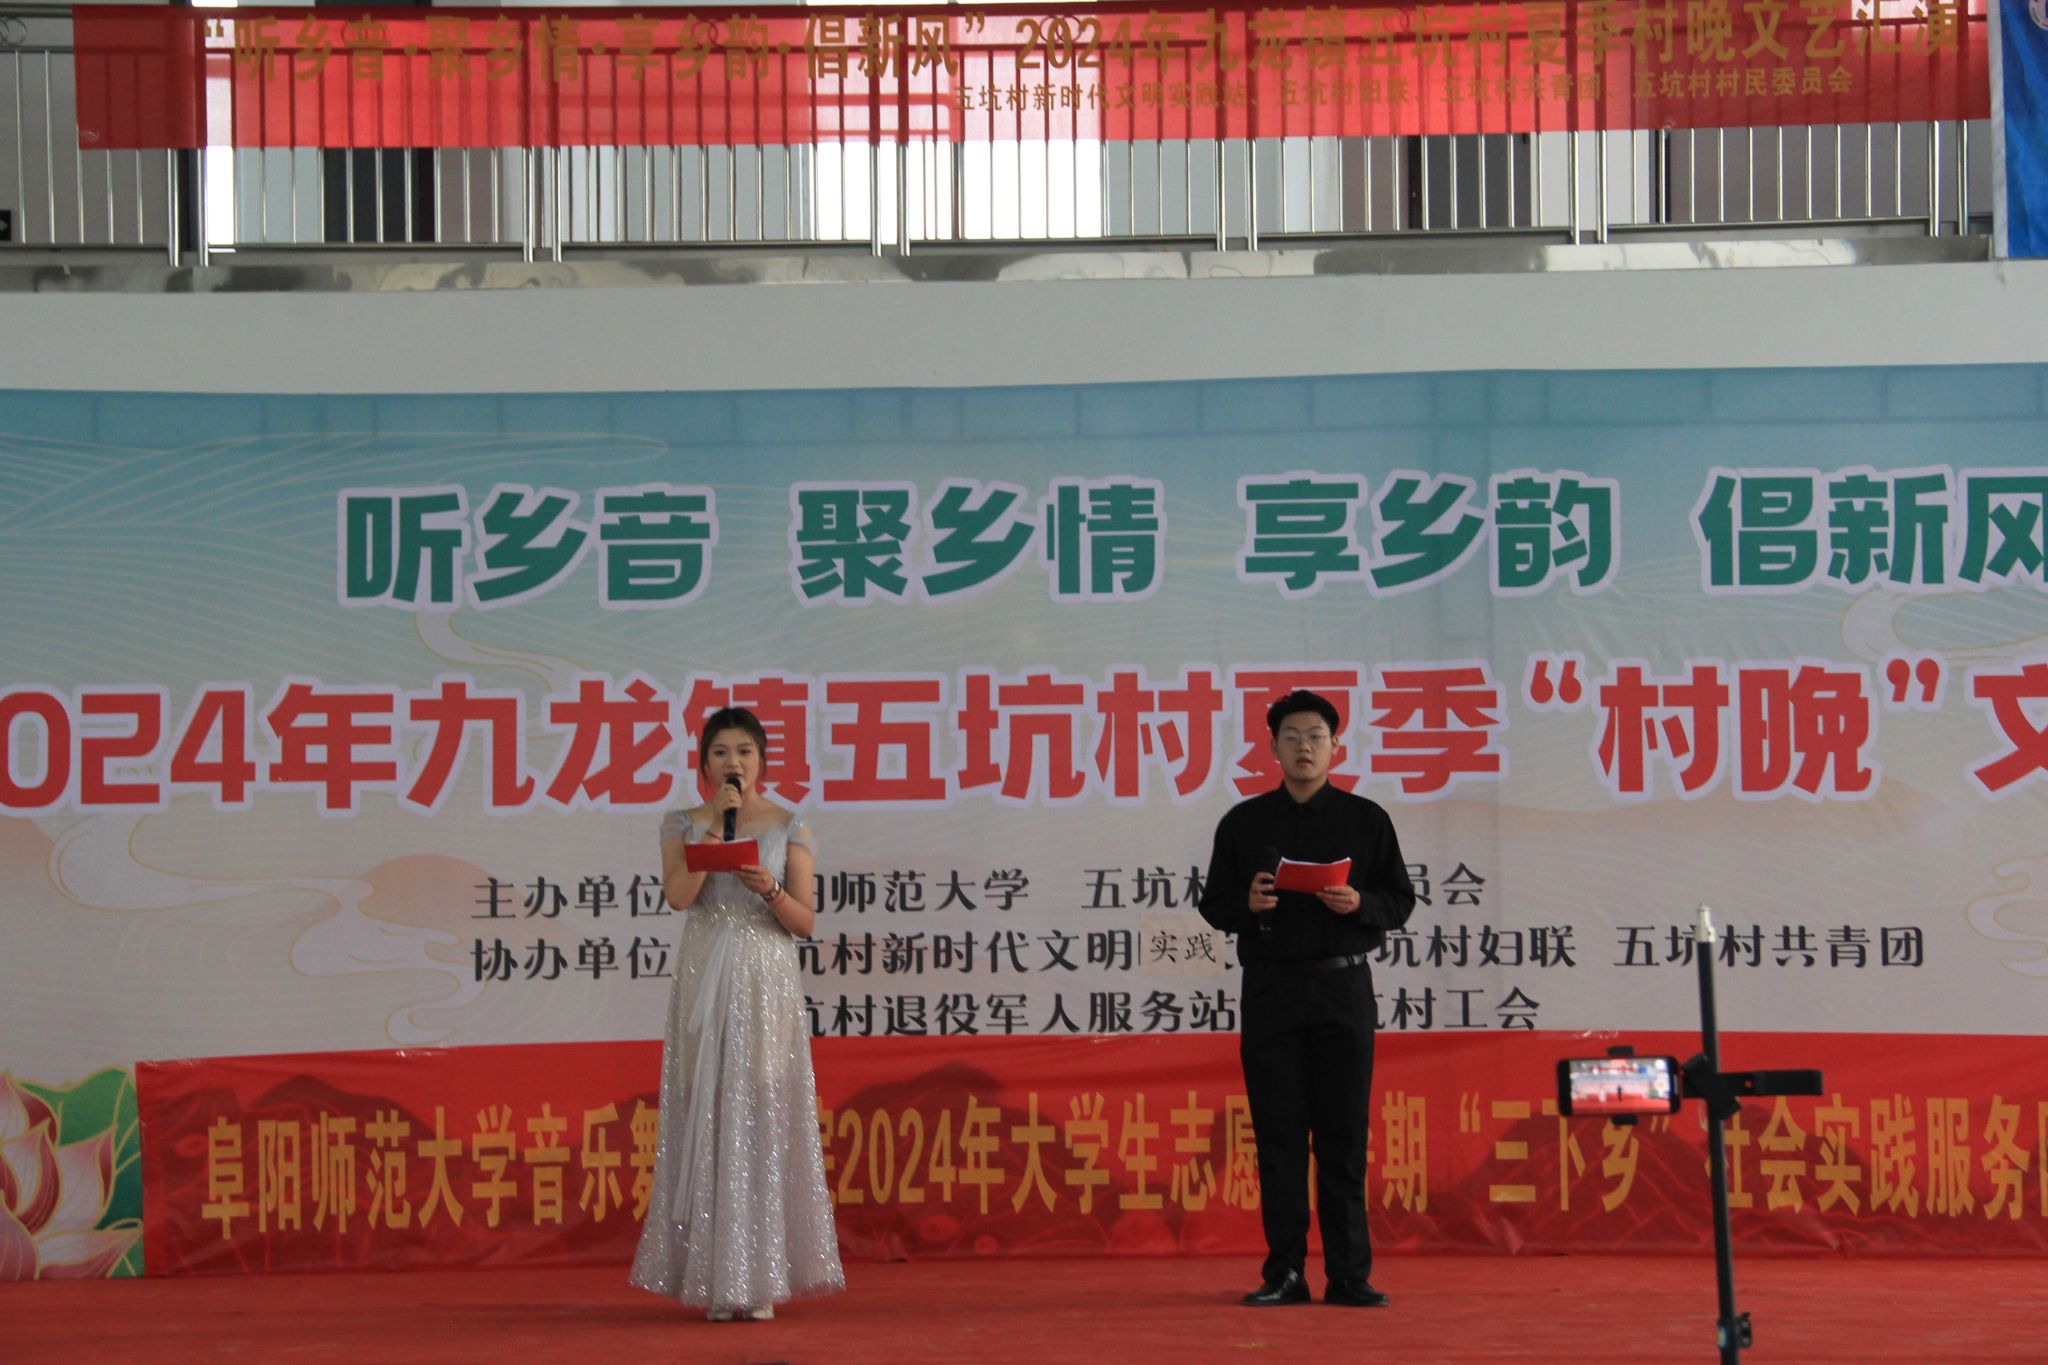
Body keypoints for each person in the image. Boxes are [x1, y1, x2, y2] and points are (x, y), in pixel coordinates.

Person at [1197, 689, 1417, 1309]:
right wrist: (1247, 904)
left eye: (1316, 737)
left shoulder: (1366, 819)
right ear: (1272, 748)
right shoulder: (1243, 823)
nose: (1304, 747)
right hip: (1271, 990)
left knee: (1344, 1137)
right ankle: (1285, 1273)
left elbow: (1400, 899)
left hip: (1342, 988)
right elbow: (1213, 904)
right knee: (1279, 1137)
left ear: (1335, 746)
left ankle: (1348, 1275)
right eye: (1291, 737)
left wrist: (1361, 903)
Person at [629, 706, 845, 1321]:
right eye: (721, 752)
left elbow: (804, 921)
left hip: (763, 974)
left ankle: (760, 1277)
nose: (734, 763)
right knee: (708, 1106)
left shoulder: (787, 824)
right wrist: (710, 841)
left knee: (759, 1108)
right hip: (704, 970)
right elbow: (678, 896)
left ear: (762, 762)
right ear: (704, 764)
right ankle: (713, 1278)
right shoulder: (682, 823)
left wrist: (768, 888)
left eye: (744, 752)